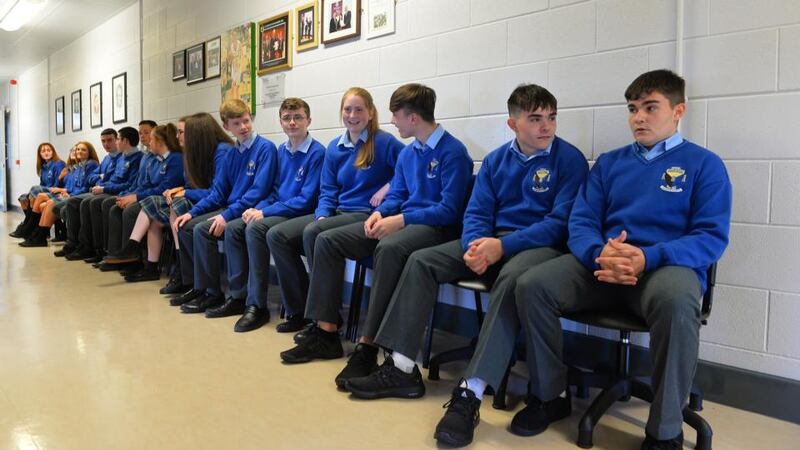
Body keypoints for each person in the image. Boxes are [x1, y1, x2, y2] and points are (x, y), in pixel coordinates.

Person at [439, 70, 733, 449]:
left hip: (664, 268)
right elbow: (581, 222)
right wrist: (599, 252)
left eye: (650, 107)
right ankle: (550, 396)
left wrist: (647, 256)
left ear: (678, 111)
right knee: (533, 285)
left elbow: (710, 238)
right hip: (602, 264)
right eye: (632, 109)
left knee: (678, 300)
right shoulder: (610, 164)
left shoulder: (704, 165)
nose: (638, 117)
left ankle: (664, 432)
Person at [344, 84, 588, 413]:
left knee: (513, 278)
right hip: (488, 239)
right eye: (535, 119)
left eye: (551, 118)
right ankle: (401, 367)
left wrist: (501, 246)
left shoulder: (569, 160)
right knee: (421, 261)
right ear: (513, 124)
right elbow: (476, 211)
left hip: (538, 245)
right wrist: (475, 245)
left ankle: (472, 387)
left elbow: (559, 224)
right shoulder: (495, 161)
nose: (546, 126)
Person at [280, 83, 474, 382]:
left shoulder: (453, 152)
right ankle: (326, 332)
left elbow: (449, 210)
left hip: (437, 229)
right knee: (328, 239)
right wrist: (380, 214)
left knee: (389, 248)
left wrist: (400, 219)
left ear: (412, 118)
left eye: (396, 115)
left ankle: (368, 345)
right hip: (405, 221)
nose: (392, 121)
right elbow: (396, 193)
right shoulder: (411, 154)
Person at [266, 87, 403, 337]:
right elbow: (327, 190)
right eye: (347, 109)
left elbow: (409, 170)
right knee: (278, 235)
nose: (353, 115)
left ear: (371, 113)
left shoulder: (384, 142)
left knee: (315, 234)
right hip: (337, 212)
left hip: (365, 213)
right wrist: (322, 214)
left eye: (359, 109)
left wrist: (388, 187)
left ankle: (323, 318)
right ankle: (304, 311)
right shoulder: (335, 147)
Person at [207, 97, 325, 333]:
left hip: (302, 213)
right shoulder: (282, 150)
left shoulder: (317, 152)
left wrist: (264, 211)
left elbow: (306, 200)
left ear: (309, 120)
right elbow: (273, 190)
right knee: (236, 226)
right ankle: (241, 298)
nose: (292, 123)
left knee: (258, 228)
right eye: (287, 118)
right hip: (279, 209)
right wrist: (256, 209)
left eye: (298, 117)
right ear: (280, 122)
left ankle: (259, 305)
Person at [171, 99, 278, 314]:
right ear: (226, 126)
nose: (243, 127)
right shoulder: (231, 153)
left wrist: (226, 216)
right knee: (191, 226)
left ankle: (238, 297)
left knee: (222, 228)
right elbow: (218, 192)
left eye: (246, 121)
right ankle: (208, 291)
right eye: (236, 123)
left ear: (251, 118)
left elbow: (257, 192)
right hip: (234, 208)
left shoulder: (266, 149)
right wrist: (192, 212)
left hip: (254, 210)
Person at [123, 114, 231, 285]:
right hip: (201, 199)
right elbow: (190, 186)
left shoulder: (222, 151)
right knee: (155, 214)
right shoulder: (191, 153)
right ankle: (148, 263)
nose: (176, 136)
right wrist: (180, 190)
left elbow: (216, 194)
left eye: (180, 132)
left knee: (176, 203)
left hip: (216, 203)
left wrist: (184, 193)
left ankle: (182, 269)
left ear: (196, 133)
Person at [102, 123, 185, 265]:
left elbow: (165, 188)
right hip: (151, 197)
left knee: (130, 211)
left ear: (159, 141)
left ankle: (133, 258)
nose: (148, 142)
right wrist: (129, 195)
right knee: (116, 208)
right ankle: (116, 253)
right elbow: (145, 184)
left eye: (151, 139)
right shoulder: (155, 159)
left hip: (165, 200)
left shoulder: (175, 158)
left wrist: (136, 197)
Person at [96, 120, 157, 271]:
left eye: (146, 132)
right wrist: (126, 195)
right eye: (140, 132)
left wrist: (133, 196)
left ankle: (130, 257)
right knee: (114, 206)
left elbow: (158, 186)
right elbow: (136, 183)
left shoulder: (149, 157)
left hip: (149, 197)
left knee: (126, 209)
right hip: (138, 193)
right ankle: (113, 253)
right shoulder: (146, 156)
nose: (142, 136)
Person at [20, 142, 100, 247]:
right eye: (77, 150)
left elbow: (84, 187)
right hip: (69, 193)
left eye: (83, 150)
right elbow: (73, 186)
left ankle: (35, 232)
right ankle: (37, 233)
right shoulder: (77, 167)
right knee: (39, 200)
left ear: (90, 152)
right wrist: (64, 188)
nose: (78, 152)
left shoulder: (90, 164)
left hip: (78, 195)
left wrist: (66, 192)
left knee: (44, 199)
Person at [59, 128, 121, 259]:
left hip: (110, 192)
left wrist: (101, 180)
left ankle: (91, 247)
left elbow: (110, 179)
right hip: (100, 190)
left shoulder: (121, 158)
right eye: (103, 141)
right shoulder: (106, 159)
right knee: (72, 202)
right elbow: (91, 177)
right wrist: (101, 177)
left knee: (85, 202)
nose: (106, 144)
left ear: (117, 140)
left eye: (110, 140)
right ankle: (73, 243)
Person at [9, 143, 65, 238]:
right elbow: (42, 184)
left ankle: (28, 226)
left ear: (53, 152)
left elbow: (58, 183)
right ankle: (33, 226)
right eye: (43, 151)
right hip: (45, 190)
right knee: (23, 198)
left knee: (35, 191)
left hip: (55, 191)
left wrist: (38, 192)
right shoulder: (43, 166)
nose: (46, 153)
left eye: (48, 150)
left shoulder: (58, 163)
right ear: (40, 154)